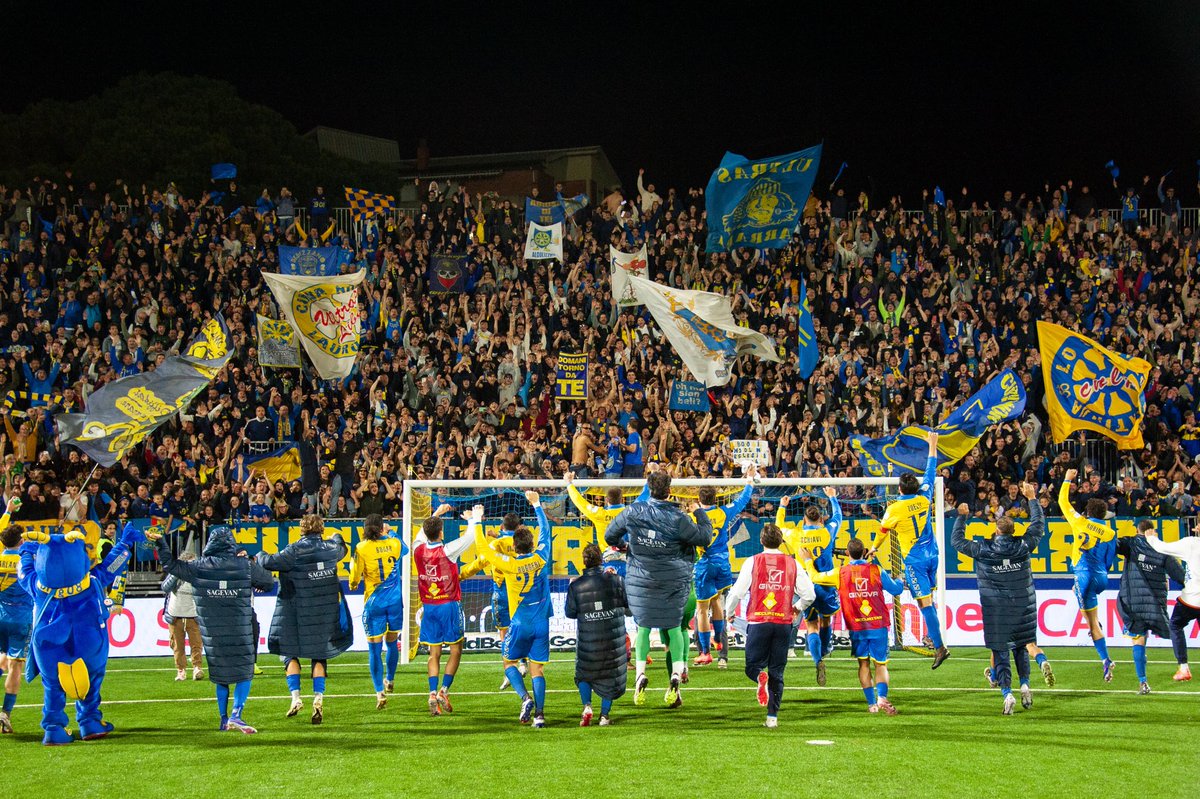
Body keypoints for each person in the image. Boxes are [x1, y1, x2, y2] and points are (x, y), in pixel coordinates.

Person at [156, 526, 276, 733]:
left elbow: (170, 565)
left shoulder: (199, 566)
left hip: (212, 630)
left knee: (220, 674)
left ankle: (223, 719)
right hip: (240, 627)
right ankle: (237, 714)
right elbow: (268, 582)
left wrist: (160, 542)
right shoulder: (244, 565)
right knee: (244, 673)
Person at [606, 470, 710, 708]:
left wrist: (626, 546)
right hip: (672, 583)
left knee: (643, 628)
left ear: (649, 488)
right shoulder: (678, 518)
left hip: (641, 582)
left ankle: (640, 673)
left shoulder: (633, 510)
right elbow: (704, 537)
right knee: (674, 628)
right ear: (669, 490)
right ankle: (676, 673)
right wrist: (699, 512)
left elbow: (609, 535)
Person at [951, 482, 1045, 715]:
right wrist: (1032, 499)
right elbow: (1038, 526)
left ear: (996, 530)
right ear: (1013, 531)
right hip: (1024, 606)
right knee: (1022, 647)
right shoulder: (1023, 545)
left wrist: (962, 517)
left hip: (997, 609)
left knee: (1001, 651)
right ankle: (1025, 685)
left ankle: (1007, 693)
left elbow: (956, 542)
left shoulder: (984, 549)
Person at [255, 514, 352, 725]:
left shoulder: (294, 550)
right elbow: (341, 547)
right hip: (324, 612)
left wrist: (260, 553)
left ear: (302, 528)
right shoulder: (330, 549)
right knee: (319, 655)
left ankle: (296, 697)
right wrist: (336, 536)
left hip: (296, 613)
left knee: (289, 653)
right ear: (321, 528)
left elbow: (269, 562)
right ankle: (318, 697)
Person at [471, 491, 553, 727]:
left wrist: (477, 521)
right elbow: (545, 531)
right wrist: (537, 504)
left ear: (515, 547)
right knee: (538, 670)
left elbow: (484, 550)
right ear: (532, 544)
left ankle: (524, 698)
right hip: (541, 622)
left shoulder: (509, 563)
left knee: (508, 664)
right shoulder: (542, 556)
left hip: (519, 623)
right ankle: (539, 715)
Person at [724, 522, 814, 727]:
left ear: (761, 541)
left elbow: (736, 593)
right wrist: (797, 607)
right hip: (783, 623)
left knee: (752, 667)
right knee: (777, 672)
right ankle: (772, 718)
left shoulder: (752, 562)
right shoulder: (793, 564)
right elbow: (810, 594)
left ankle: (758, 677)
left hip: (759, 622)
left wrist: (729, 614)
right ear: (781, 541)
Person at [804, 537, 904, 714]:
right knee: (881, 665)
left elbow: (814, 577)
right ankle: (882, 698)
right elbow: (896, 590)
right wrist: (901, 580)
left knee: (863, 665)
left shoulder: (840, 573)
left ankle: (872, 704)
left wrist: (808, 561)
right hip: (878, 625)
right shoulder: (876, 570)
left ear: (847, 553)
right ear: (864, 551)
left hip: (857, 627)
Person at [875, 431, 949, 668]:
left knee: (924, 603)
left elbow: (882, 532)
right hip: (933, 555)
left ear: (900, 488)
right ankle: (932, 636)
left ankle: (939, 647)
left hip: (915, 560)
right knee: (928, 601)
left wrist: (874, 549)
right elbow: (930, 469)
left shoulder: (896, 508)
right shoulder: (925, 496)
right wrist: (932, 445)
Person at [413, 504, 475, 715]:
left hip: (429, 606)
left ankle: (431, 693)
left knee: (434, 653)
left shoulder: (417, 549)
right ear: (441, 532)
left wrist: (436, 514)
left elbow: (421, 534)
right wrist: (472, 518)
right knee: (456, 649)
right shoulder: (448, 551)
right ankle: (444, 690)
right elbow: (470, 537)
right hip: (448, 605)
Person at [1058, 468, 1118, 681]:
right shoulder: (1111, 532)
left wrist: (1066, 480)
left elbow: (1063, 503)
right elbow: (1110, 560)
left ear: (1088, 512)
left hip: (1084, 576)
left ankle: (1106, 659)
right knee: (1091, 617)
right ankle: (1097, 629)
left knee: (1091, 625)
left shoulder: (1080, 522)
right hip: (1102, 578)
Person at [777, 486, 842, 685]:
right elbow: (838, 517)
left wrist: (782, 506)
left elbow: (778, 526)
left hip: (805, 586)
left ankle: (818, 659)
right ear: (821, 519)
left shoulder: (796, 535)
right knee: (826, 621)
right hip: (825, 583)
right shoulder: (827, 531)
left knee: (811, 625)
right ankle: (824, 649)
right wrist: (832, 497)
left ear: (804, 520)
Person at [693, 465, 755, 669]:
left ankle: (704, 652)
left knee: (702, 610)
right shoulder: (723, 512)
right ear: (715, 498)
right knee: (717, 602)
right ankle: (719, 641)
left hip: (704, 564)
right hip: (723, 564)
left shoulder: (693, 516)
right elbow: (743, 501)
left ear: (700, 500)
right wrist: (749, 480)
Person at [1116, 520, 1186, 694]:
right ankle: (1183, 666)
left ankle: (1143, 682)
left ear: (1137, 531)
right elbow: (1180, 575)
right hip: (1155, 604)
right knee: (1174, 632)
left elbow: (1112, 543)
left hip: (1133, 602)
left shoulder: (1130, 544)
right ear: (1153, 531)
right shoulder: (1163, 549)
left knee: (1138, 639)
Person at [565, 542, 631, 726]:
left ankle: (587, 706)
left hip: (588, 644)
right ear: (601, 560)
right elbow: (628, 606)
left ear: (584, 562)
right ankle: (604, 716)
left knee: (584, 675)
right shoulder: (616, 580)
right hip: (612, 642)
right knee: (610, 678)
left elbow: (569, 613)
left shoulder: (576, 585)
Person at [348, 512, 409, 709]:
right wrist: (392, 533)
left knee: (374, 648)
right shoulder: (394, 543)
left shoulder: (362, 547)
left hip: (374, 602)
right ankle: (389, 680)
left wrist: (353, 582)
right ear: (382, 526)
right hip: (395, 602)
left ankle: (379, 692)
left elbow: (355, 575)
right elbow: (406, 549)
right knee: (392, 642)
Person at [1143, 526, 1200, 682]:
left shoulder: (1192, 544)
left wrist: (1151, 537)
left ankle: (1183, 667)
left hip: (1192, 599)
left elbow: (1162, 548)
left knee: (1175, 625)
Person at [0, 499, 28, 733]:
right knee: (15, 667)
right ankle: (5, 713)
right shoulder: (26, 561)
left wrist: (8, 511)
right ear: (21, 541)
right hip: (21, 618)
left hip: (0, 614)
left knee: (2, 659)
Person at [161, 552, 204, 681]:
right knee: (177, 645)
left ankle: (197, 668)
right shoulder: (175, 574)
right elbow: (165, 588)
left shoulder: (198, 576)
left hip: (193, 614)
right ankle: (181, 670)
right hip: (175, 615)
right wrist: (176, 574)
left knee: (196, 643)